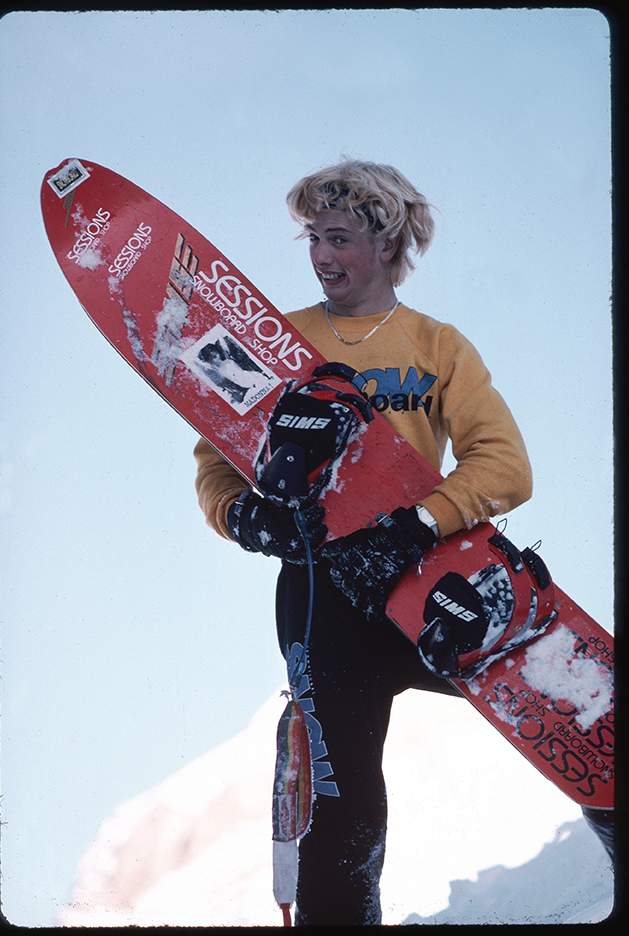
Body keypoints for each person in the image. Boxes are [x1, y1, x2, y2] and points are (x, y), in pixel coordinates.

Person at [193, 160, 612, 924]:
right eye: (313, 238)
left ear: (386, 242)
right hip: (322, 601)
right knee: (341, 810)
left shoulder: (436, 344)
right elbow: (214, 465)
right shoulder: (276, 343)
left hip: (430, 589)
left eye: (341, 238)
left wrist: (418, 522)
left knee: (585, 735)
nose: (322, 255)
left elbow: (503, 464)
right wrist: (244, 518)